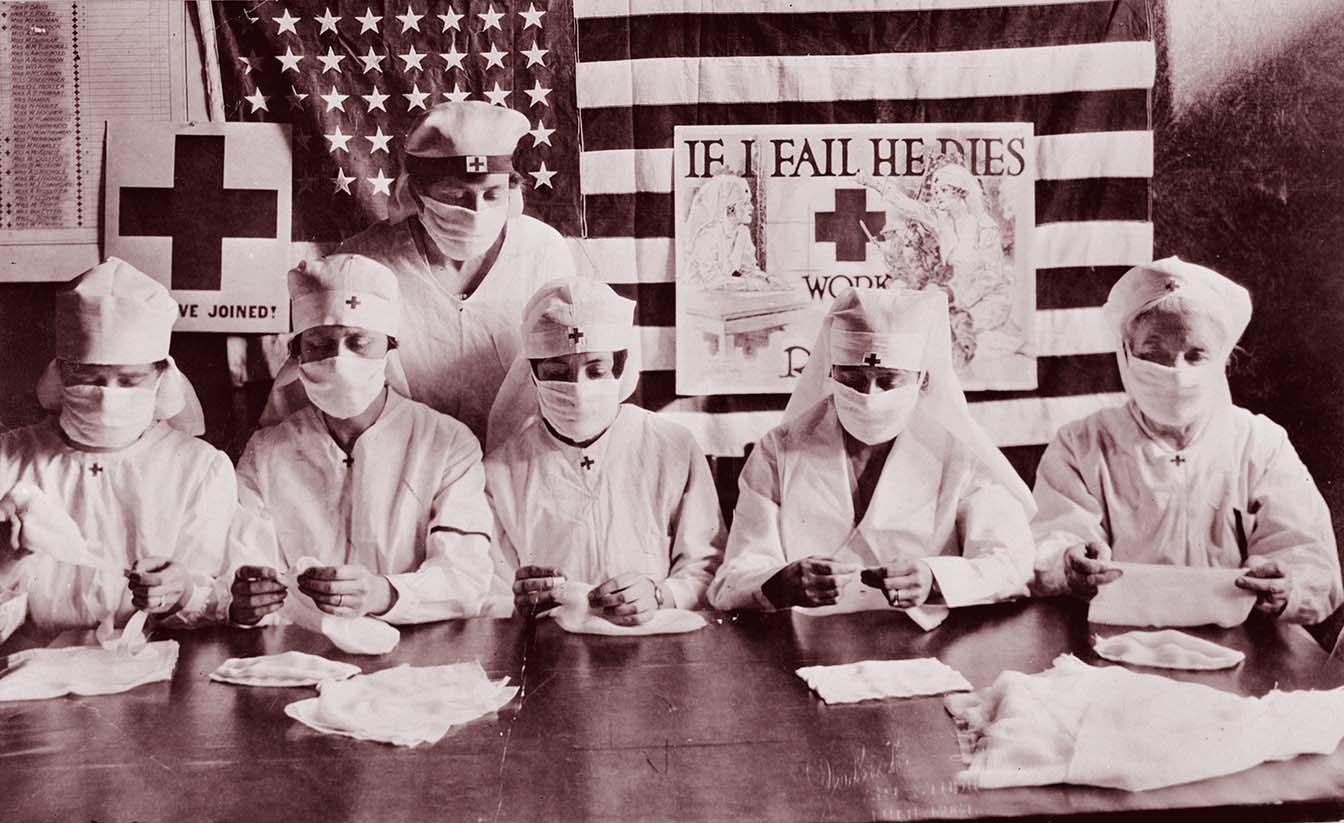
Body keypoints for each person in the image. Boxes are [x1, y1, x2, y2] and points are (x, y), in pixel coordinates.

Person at [1031, 257, 1342, 623]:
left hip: (1242, 645)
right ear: (1127, 355)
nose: (1176, 373)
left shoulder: (1261, 445)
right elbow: (1049, 543)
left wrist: (1288, 586)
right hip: (1114, 642)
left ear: (1224, 361)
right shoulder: (1081, 444)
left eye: (1196, 355)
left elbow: (1311, 561)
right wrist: (1068, 564)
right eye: (1154, 355)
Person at [265, 101, 576, 445]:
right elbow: (315, 375)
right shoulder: (365, 261)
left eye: (492, 194)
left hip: (518, 463)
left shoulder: (543, 252)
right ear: (416, 191)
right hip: (404, 459)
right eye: (455, 196)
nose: (476, 211)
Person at [708, 287, 1036, 613]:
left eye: (889, 381)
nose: (869, 395)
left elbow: (1011, 562)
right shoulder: (779, 449)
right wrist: (779, 583)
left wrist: (936, 578)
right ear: (830, 371)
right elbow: (733, 577)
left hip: (925, 649)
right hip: (804, 645)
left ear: (923, 380)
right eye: (852, 379)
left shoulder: (960, 453)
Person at [230, 254, 494, 626]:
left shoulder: (447, 443)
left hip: (417, 658)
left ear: (388, 348)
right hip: (301, 654)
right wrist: (246, 596)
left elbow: (465, 578)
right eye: (319, 345)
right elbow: (241, 565)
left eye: (358, 342)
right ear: (297, 354)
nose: (339, 360)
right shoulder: (266, 452)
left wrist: (382, 593)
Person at [0, 258, 235, 641]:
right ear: (60, 373)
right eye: (89, 378)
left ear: (160, 377)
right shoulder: (9, 459)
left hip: (159, 668)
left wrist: (182, 591)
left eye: (129, 380)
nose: (107, 397)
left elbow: (222, 601)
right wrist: (5, 566)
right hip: (37, 669)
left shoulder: (198, 468)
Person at [484, 278, 725, 625]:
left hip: (657, 647)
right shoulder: (501, 473)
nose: (578, 390)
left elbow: (708, 567)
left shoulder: (672, 447)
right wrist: (515, 602)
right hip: (553, 654)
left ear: (620, 368)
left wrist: (660, 594)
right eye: (557, 373)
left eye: (595, 370)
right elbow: (487, 590)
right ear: (533, 374)